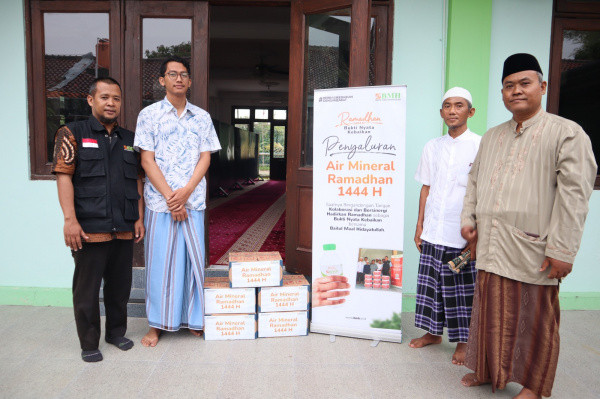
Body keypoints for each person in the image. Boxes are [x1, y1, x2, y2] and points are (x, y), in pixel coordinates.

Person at [460, 53, 596, 398]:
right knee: (490, 310)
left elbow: (575, 196)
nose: (516, 91)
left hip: (533, 246)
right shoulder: (492, 136)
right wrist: (469, 222)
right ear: (502, 93)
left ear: (542, 86)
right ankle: (488, 370)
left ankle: (534, 385)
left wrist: (563, 250)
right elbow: (473, 183)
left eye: (524, 83)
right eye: (509, 86)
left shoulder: (567, 134)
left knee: (535, 321)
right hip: (490, 244)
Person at [52, 77, 144, 362]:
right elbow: (64, 177)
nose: (111, 103)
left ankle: (116, 333)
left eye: (115, 98)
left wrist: (139, 217)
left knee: (120, 287)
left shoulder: (129, 139)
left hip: (124, 227)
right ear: (91, 100)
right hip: (89, 228)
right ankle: (89, 342)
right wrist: (70, 221)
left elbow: (137, 181)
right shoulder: (71, 133)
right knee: (87, 290)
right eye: (104, 97)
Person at [134, 56, 221, 347]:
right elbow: (147, 160)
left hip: (192, 200)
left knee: (192, 262)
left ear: (190, 81)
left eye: (184, 74)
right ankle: (158, 324)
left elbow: (205, 157)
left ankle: (193, 319)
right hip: (160, 204)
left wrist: (185, 193)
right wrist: (172, 198)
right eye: (173, 74)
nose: (179, 79)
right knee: (160, 264)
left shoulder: (202, 117)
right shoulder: (148, 115)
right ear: (162, 80)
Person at [410, 87, 480, 366]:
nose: (452, 110)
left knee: (461, 289)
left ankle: (463, 342)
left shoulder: (481, 145)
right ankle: (432, 333)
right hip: (433, 228)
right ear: (441, 113)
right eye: (447, 106)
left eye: (459, 105)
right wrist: (419, 226)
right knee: (431, 285)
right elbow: (426, 187)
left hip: (462, 230)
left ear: (470, 112)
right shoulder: (432, 146)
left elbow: (484, 192)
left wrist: (477, 234)